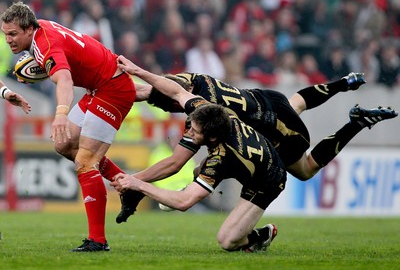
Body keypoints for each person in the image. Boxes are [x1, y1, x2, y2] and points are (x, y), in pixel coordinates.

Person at [115, 55, 398, 222]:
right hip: (266, 98)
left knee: (306, 169)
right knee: (296, 101)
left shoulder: (204, 115)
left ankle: (355, 124)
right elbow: (153, 90)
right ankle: (343, 83)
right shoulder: (193, 80)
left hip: (277, 130)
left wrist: (135, 182)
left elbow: (174, 163)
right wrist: (121, 78)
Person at [0, 1, 146, 252]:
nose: (8, 40)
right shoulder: (41, 30)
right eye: (5, 35)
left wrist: (60, 114)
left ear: (27, 29)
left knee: (85, 162)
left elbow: (64, 79)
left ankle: (98, 241)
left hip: (111, 89)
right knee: (64, 144)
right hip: (99, 87)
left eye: (13, 34)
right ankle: (128, 186)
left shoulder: (44, 44)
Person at [111, 59, 287, 253]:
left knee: (227, 241)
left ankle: (260, 236)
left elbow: (184, 203)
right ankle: (197, 186)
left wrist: (138, 185)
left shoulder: (221, 157)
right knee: (198, 170)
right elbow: (176, 90)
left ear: (211, 137)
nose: (189, 133)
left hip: (267, 179)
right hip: (250, 157)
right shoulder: (205, 110)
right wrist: (139, 71)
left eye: (195, 131)